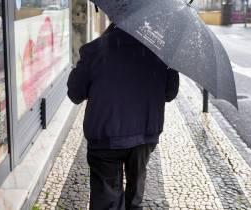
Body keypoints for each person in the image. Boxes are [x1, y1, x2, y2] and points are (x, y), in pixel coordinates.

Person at [67, 23, 179, 210]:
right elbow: (169, 93)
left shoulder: (96, 49)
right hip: (144, 133)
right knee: (135, 194)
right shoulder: (160, 52)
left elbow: (75, 93)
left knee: (106, 199)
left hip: (106, 133)